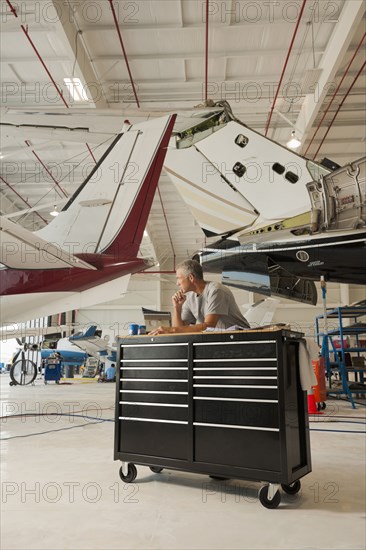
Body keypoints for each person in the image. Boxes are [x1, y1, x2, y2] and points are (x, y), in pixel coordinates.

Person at [150, 259, 250, 335]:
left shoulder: (216, 290)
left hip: (241, 338)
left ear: (191, 277)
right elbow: (180, 331)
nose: (177, 283)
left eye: (178, 279)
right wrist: (177, 308)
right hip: (219, 340)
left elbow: (209, 326)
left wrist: (170, 329)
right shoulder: (189, 297)